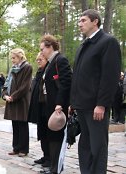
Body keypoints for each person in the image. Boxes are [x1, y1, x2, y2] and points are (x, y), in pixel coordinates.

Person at [69, 9, 121, 174]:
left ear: (95, 21)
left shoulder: (108, 42)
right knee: (84, 144)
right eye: (79, 21)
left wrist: (102, 104)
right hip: (81, 104)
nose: (80, 24)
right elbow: (77, 76)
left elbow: (109, 77)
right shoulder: (84, 44)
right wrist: (73, 101)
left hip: (95, 106)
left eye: (83, 20)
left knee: (98, 146)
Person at [39, 34, 72, 174]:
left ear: (50, 47)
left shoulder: (60, 60)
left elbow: (66, 83)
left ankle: (56, 168)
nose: (41, 52)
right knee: (50, 137)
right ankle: (54, 166)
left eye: (42, 49)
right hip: (49, 106)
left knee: (56, 137)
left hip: (57, 107)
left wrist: (59, 103)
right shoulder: (50, 63)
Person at [3, 48, 32, 158]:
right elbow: (6, 84)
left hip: (21, 101)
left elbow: (25, 86)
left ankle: (24, 149)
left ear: (20, 56)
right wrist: (5, 95)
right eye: (12, 58)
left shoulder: (27, 67)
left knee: (22, 124)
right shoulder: (12, 69)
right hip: (11, 100)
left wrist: (13, 97)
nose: (12, 60)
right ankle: (16, 147)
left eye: (14, 58)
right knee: (15, 124)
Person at [28, 53, 50, 167]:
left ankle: (49, 157)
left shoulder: (48, 71)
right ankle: (45, 155)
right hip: (39, 106)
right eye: (37, 60)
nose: (38, 61)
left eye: (40, 59)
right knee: (41, 132)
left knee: (47, 132)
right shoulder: (39, 71)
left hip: (46, 107)